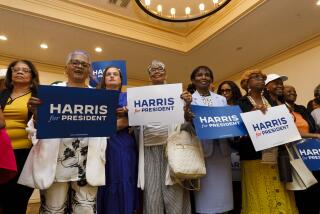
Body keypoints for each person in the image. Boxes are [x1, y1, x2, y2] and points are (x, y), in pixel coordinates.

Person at [18, 50, 107, 214]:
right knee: (53, 209)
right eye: (75, 62)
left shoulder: (98, 97)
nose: (79, 66)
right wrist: (37, 115)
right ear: (66, 68)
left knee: (85, 208)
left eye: (84, 64)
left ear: (89, 71)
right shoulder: (51, 92)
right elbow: (35, 129)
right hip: (56, 162)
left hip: (87, 163)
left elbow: (104, 131)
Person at [135, 60, 192, 214]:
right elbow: (135, 126)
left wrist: (187, 106)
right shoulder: (140, 96)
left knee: (174, 196)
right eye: (152, 70)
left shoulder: (179, 95)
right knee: (152, 196)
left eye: (160, 69)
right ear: (149, 76)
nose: (156, 71)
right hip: (148, 150)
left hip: (173, 150)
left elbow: (185, 125)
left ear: (166, 73)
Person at [238, 69, 298, 214]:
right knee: (260, 194)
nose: (260, 80)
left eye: (262, 78)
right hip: (254, 157)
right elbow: (238, 129)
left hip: (276, 155)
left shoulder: (272, 101)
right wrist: (252, 114)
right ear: (247, 83)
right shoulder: (241, 103)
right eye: (255, 77)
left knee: (280, 192)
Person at [188, 66, 233, 214]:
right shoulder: (189, 99)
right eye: (199, 75)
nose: (204, 77)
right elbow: (184, 126)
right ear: (193, 80)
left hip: (222, 150)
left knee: (224, 190)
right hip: (202, 151)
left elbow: (227, 121)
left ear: (211, 79)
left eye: (207, 75)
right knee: (205, 193)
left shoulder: (221, 99)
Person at [96, 66, 139, 214]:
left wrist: (127, 115)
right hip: (98, 145)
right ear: (104, 79)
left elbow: (132, 121)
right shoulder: (96, 97)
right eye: (108, 74)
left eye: (115, 74)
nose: (112, 76)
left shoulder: (129, 97)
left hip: (122, 144)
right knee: (103, 180)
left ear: (121, 79)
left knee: (123, 178)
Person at [0, 60, 39, 214]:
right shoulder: (2, 94)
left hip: (24, 153)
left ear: (32, 75)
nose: (20, 72)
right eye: (16, 69)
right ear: (11, 73)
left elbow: (44, 124)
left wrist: (37, 112)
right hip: (2, 152)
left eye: (25, 70)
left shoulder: (37, 95)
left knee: (18, 199)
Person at [283, 85, 320, 214]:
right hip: (294, 153)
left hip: (311, 151)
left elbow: (312, 127)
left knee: (315, 187)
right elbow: (288, 131)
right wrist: (314, 135)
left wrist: (314, 136)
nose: (292, 92)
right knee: (302, 190)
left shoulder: (302, 109)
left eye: (294, 90)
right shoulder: (279, 110)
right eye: (288, 91)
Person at [217, 80, 242, 214]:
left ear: (234, 91)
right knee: (229, 187)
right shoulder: (217, 109)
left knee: (241, 188)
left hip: (241, 151)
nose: (225, 93)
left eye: (228, 90)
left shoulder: (241, 106)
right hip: (224, 151)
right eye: (222, 91)